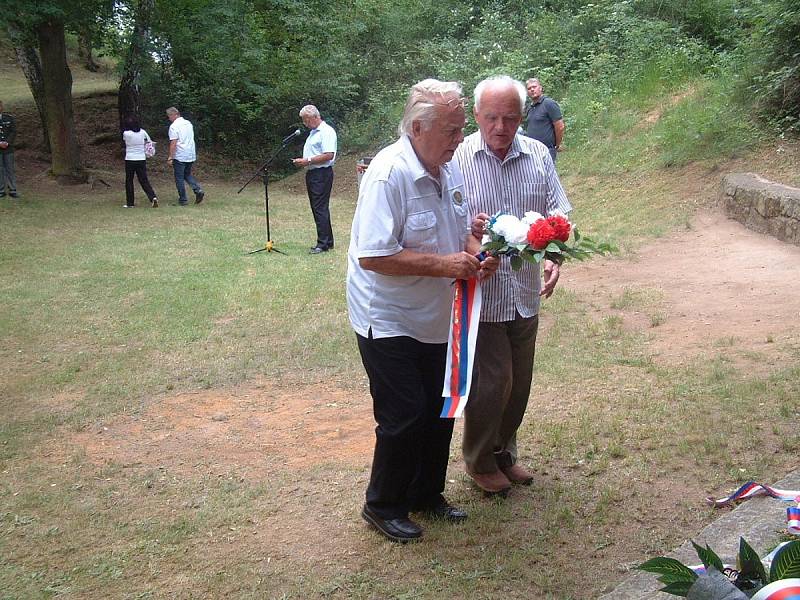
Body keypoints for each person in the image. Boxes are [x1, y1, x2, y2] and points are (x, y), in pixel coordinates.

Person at [347, 79, 498, 543]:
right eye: (452, 130)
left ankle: (426, 495)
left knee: (440, 407)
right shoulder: (388, 174)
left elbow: (458, 234)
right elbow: (372, 255)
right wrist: (447, 264)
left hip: (435, 314)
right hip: (387, 317)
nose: (460, 139)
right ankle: (383, 505)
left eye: (460, 129)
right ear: (418, 127)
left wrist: (476, 254)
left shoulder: (447, 169)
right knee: (405, 412)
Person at [454, 75, 572, 495]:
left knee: (519, 381)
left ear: (523, 116)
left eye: (509, 118)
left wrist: (555, 256)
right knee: (493, 381)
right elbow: (444, 221)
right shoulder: (458, 158)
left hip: (524, 291)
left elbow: (559, 213)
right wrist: (469, 229)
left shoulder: (538, 154)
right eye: (491, 118)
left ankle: (505, 454)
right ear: (476, 116)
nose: (500, 127)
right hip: (482, 293)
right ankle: (480, 460)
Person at [292, 105, 337, 254]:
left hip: (321, 173)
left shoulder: (326, 132)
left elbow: (329, 154)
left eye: (306, 120)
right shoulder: (313, 132)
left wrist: (307, 161)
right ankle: (328, 241)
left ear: (315, 117)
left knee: (319, 208)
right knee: (319, 207)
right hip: (313, 173)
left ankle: (322, 244)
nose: (305, 123)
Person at [165, 107, 204, 206]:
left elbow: (173, 142)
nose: (169, 118)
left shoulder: (174, 126)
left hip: (180, 154)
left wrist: (170, 157)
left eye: (169, 116)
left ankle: (183, 199)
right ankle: (197, 189)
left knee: (179, 178)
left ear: (174, 115)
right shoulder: (188, 123)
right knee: (187, 174)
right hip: (190, 153)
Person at [524, 78, 565, 163]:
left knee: (547, 175)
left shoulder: (549, 103)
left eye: (534, 87)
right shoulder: (530, 108)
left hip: (547, 150)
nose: (532, 89)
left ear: (540, 88)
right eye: (529, 88)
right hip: (532, 151)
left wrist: (556, 145)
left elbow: (560, 126)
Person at [121, 115, 158, 208]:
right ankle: (153, 197)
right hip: (141, 158)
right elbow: (149, 141)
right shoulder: (143, 132)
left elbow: (125, 141)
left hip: (130, 159)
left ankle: (130, 203)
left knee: (129, 180)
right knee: (144, 180)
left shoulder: (126, 133)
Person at [0, 100, 18, 198]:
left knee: (10, 169)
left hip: (8, 148)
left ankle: (12, 190)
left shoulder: (9, 118)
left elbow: (13, 131)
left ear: (2, 107)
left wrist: (7, 142)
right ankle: (1, 190)